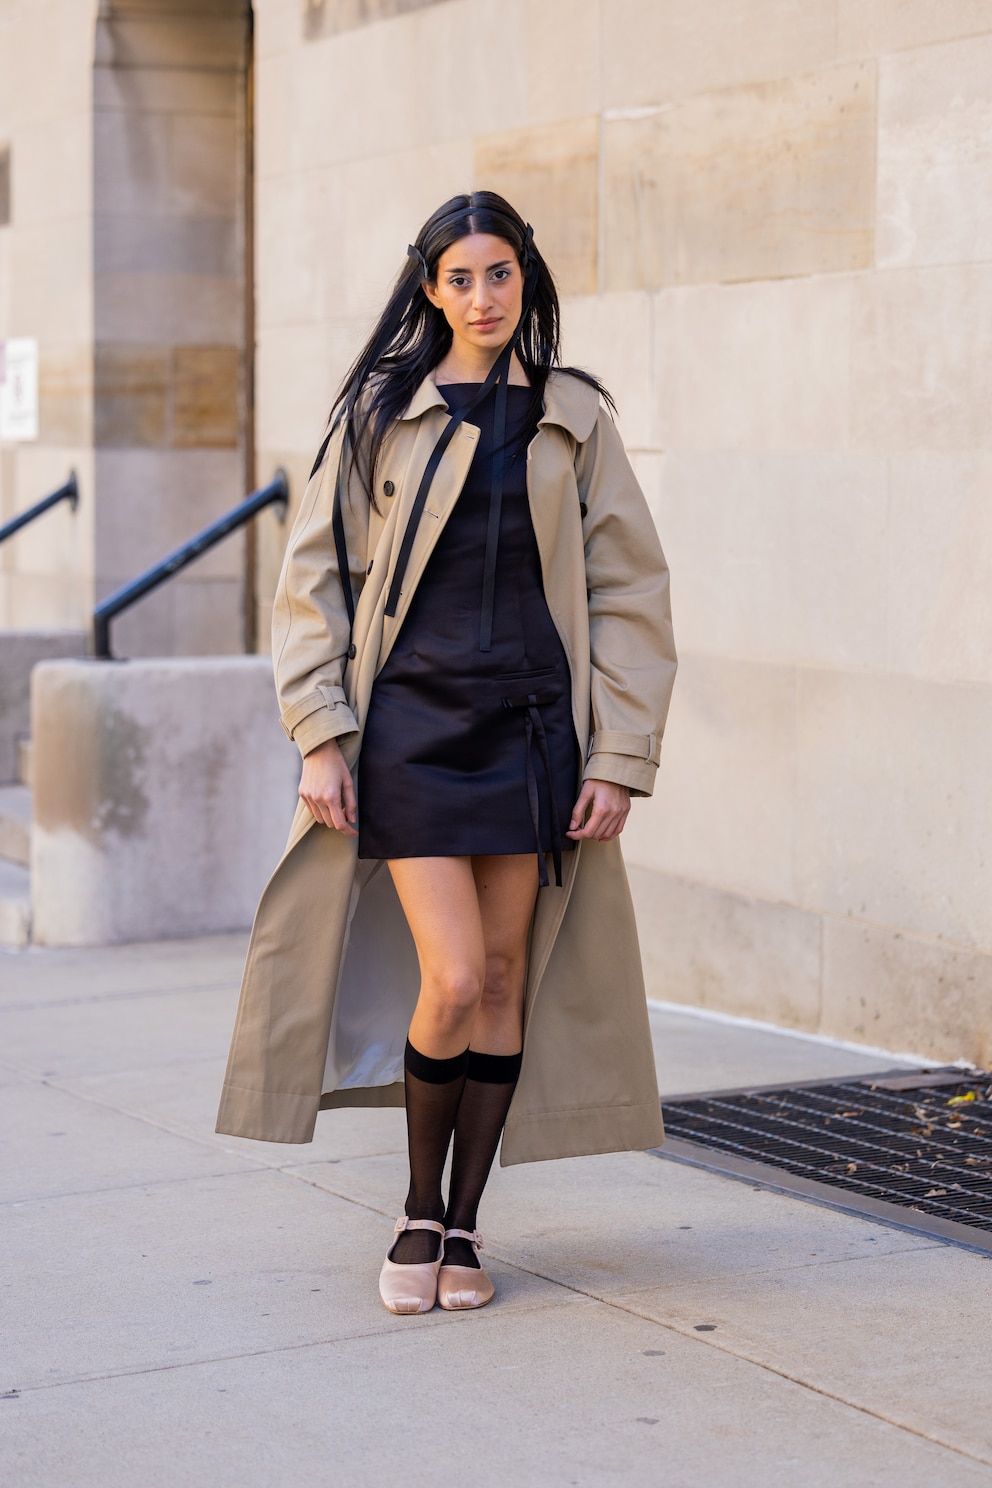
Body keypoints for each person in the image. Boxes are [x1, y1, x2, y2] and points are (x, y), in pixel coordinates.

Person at [216, 191, 677, 1316]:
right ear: (429, 288)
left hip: (530, 736)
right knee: (456, 978)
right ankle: (416, 1205)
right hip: (413, 735)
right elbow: (310, 584)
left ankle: (465, 1228)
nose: (481, 297)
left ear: (527, 280)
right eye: (459, 278)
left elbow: (630, 591)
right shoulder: (382, 412)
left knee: (508, 979)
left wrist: (618, 755)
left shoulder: (573, 418)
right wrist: (321, 736)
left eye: (499, 274)